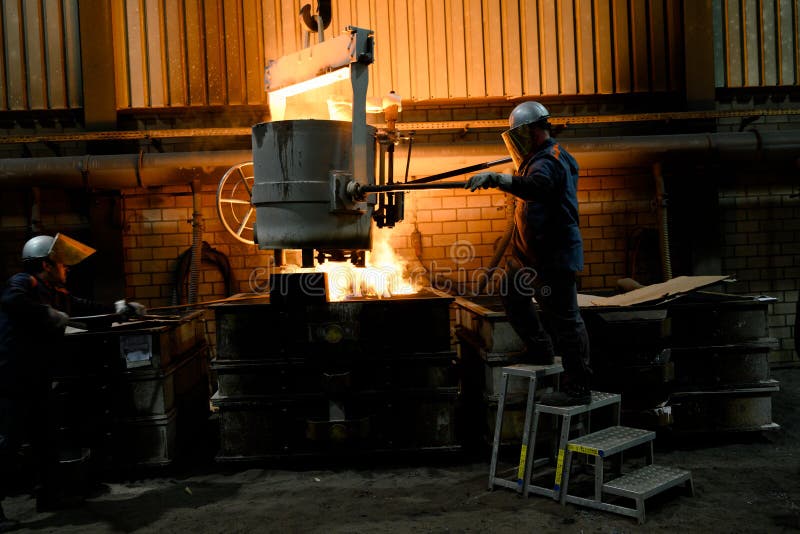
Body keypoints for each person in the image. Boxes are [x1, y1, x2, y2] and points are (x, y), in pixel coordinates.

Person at [0, 233, 144, 528]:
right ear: (45, 264)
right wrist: (46, 313)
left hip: (38, 376)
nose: (67, 268)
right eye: (62, 264)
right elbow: (11, 300)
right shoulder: (24, 283)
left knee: (46, 439)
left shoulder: (55, 291)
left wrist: (120, 310)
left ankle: (50, 496)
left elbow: (83, 307)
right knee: (6, 444)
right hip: (12, 377)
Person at [466, 101, 592, 406]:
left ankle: (578, 388)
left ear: (534, 131)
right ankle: (539, 349)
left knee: (565, 320)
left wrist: (498, 179)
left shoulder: (548, 161)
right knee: (510, 292)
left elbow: (537, 187)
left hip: (553, 257)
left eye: (520, 134)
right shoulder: (540, 156)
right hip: (528, 255)